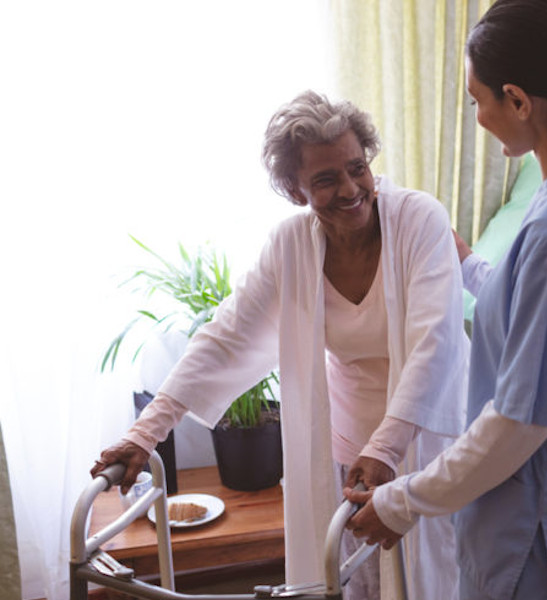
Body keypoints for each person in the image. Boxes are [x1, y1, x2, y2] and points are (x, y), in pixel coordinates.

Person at [345, 0, 547, 598]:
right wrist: (469, 264)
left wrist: (403, 501)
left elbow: (517, 424)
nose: (477, 116)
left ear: (519, 101)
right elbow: (542, 312)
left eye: (479, 100)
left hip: (539, 534)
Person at [92, 91, 468, 600]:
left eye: (357, 167)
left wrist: (386, 446)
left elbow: (435, 343)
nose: (351, 188)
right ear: (296, 191)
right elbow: (226, 336)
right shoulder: (290, 245)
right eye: (326, 179)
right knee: (354, 581)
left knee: (437, 578)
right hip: (349, 447)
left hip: (430, 441)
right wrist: (144, 433)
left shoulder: (419, 219)